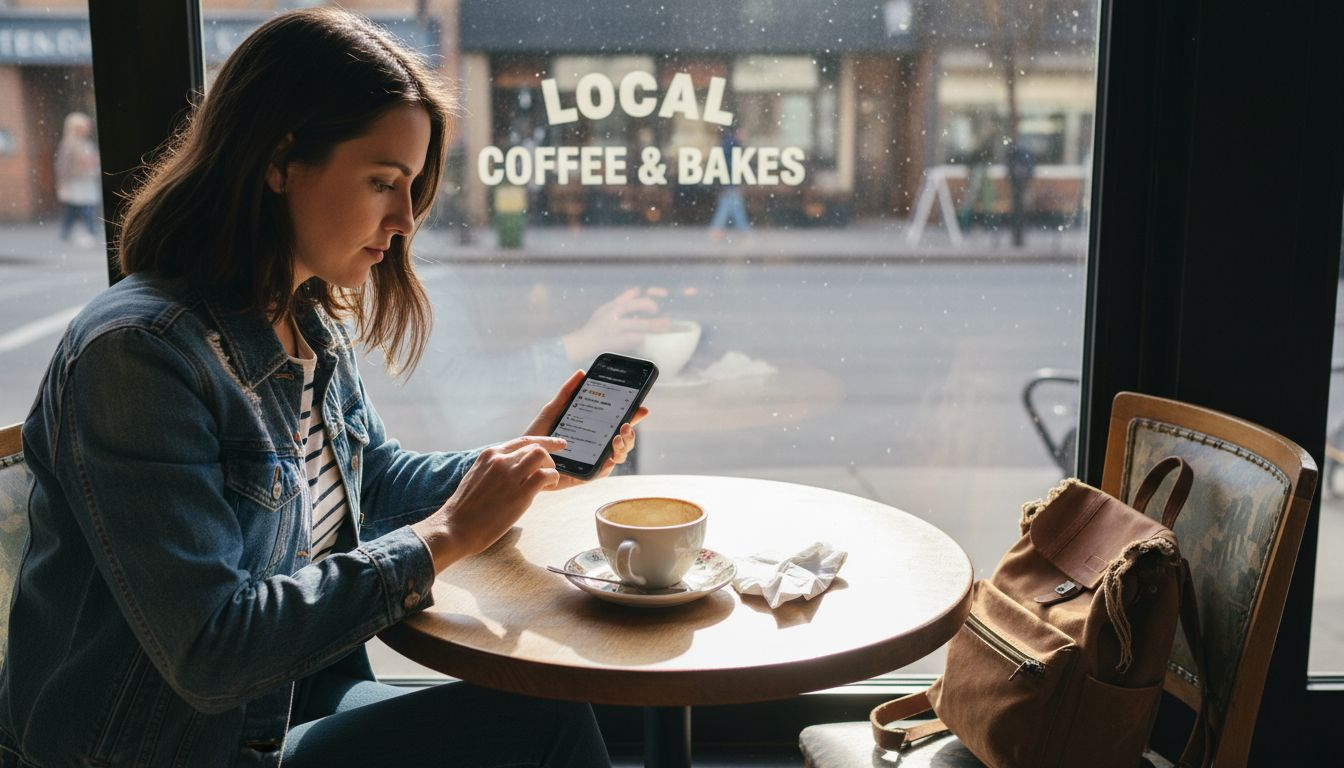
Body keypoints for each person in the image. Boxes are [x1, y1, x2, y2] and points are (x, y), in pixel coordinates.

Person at [0, 9, 638, 768]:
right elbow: (213, 653)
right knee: (545, 728)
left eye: (411, 186)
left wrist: (519, 466)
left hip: (286, 702)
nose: (404, 220)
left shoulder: (301, 316)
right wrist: (448, 535)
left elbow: (368, 481)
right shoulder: (139, 357)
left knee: (546, 711)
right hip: (166, 747)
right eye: (382, 182)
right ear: (279, 161)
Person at [54, 110, 101, 247]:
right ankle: (90, 231)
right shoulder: (69, 145)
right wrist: (62, 181)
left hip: (86, 180)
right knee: (83, 207)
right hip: (75, 181)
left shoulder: (86, 144)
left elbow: (93, 160)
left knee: (74, 208)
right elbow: (63, 165)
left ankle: (66, 232)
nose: (86, 130)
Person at [708, 125, 750, 240]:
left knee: (732, 207)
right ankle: (741, 231)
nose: (745, 137)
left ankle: (720, 230)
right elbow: (729, 167)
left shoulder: (729, 146)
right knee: (731, 207)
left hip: (729, 184)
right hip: (730, 184)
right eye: (743, 134)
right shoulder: (732, 148)